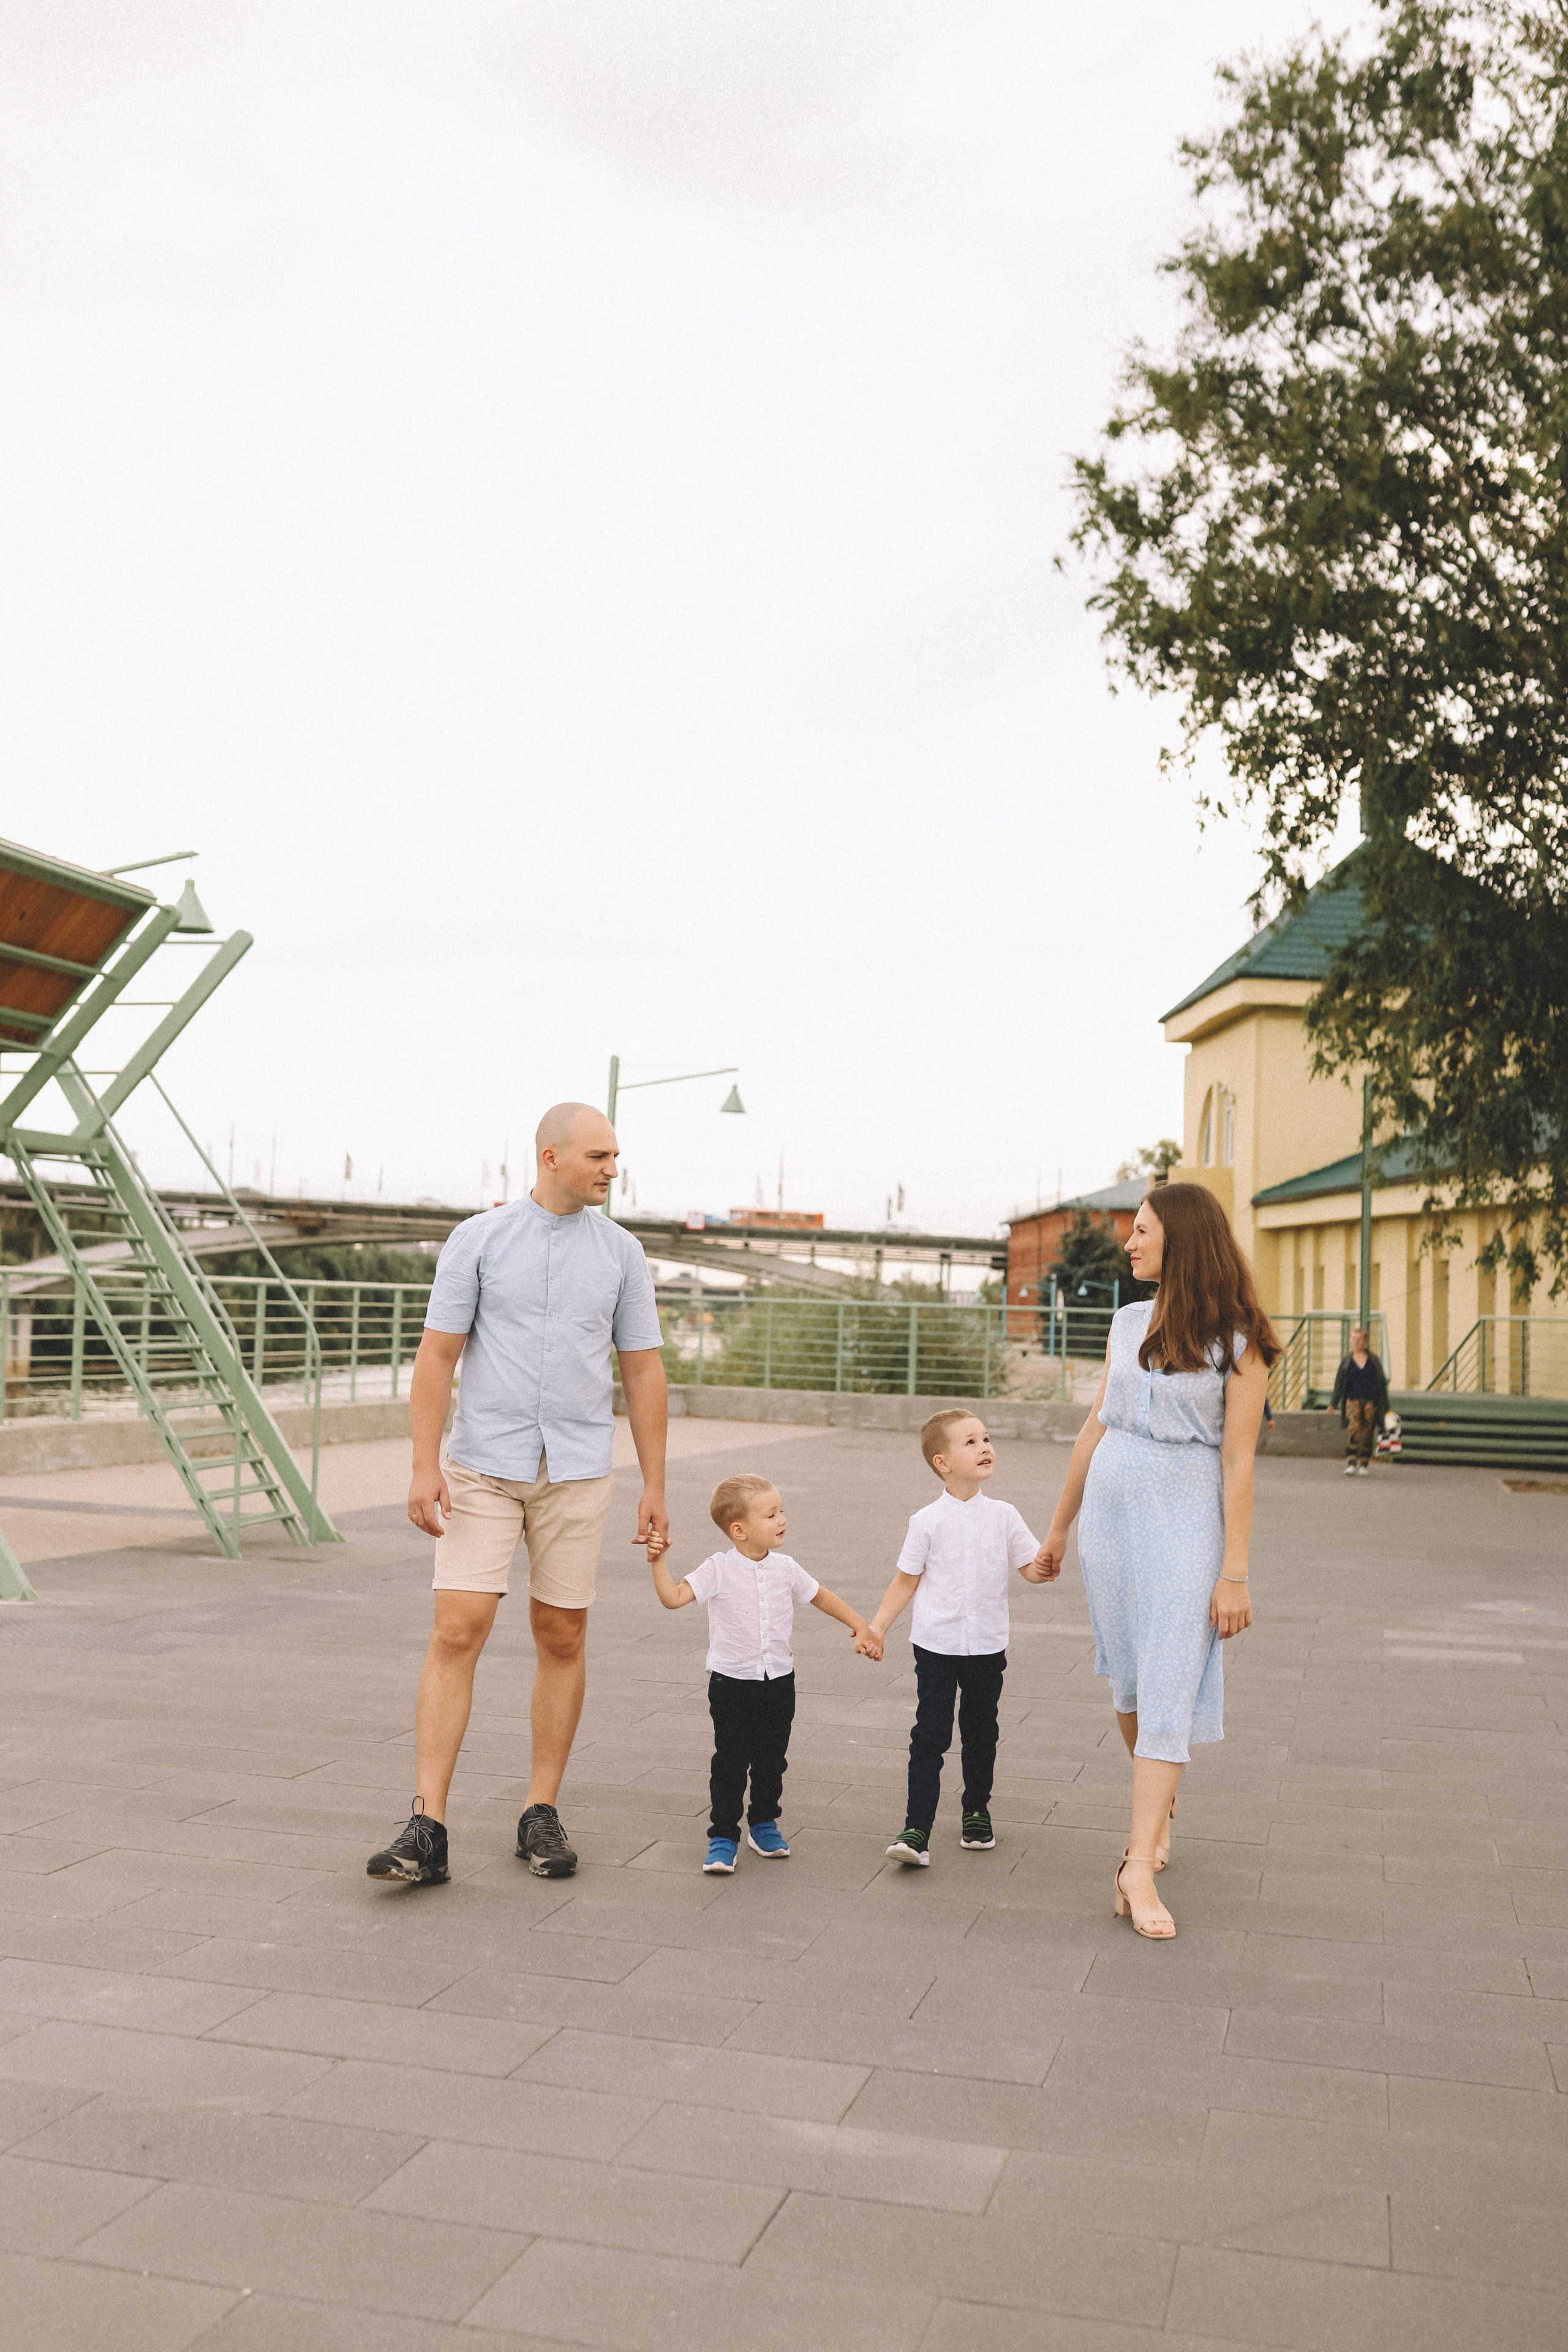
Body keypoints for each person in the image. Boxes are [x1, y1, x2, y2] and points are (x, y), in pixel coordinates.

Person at [368, 1102, 668, 1888]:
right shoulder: (478, 1239)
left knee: (561, 1634)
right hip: (480, 1465)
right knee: (458, 1627)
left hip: (576, 1468)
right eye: (599, 1155)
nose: (612, 1168)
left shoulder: (623, 1254)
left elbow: (642, 1370)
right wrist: (422, 1465)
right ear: (550, 1157)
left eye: (615, 1156)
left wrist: (656, 1485)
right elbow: (437, 1357)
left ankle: (540, 1812)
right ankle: (427, 1824)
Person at [1033, 1185, 1276, 1940]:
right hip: (1110, 1515)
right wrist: (1057, 1530)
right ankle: (1158, 1802)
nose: (1128, 1244)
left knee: (1171, 1673)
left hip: (1184, 1519)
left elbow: (1239, 1462)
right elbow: (1091, 1430)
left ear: (1181, 1239)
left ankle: (1135, 1864)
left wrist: (1233, 1571)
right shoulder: (1127, 1321)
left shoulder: (1241, 1342)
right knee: (1132, 1678)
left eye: (1140, 1232)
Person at [646, 1474, 875, 1872]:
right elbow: (673, 1598)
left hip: (779, 1681)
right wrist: (658, 1561)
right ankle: (723, 1835)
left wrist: (859, 1624)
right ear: (739, 1530)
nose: (782, 1519)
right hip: (731, 1682)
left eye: (781, 1510)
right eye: (771, 1515)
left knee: (772, 1757)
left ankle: (764, 1823)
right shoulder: (718, 1568)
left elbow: (820, 1595)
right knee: (731, 1761)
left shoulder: (786, 1568)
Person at [869, 1412, 1058, 1868]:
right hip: (935, 1645)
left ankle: (976, 1810)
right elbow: (905, 1581)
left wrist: (1046, 1565)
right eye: (970, 1442)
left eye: (987, 1438)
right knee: (930, 1734)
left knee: (980, 1731)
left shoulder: (1005, 1516)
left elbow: (1029, 1569)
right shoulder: (927, 1521)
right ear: (943, 1462)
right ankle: (917, 1828)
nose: (985, 1447)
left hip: (987, 1646)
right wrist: (877, 1628)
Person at [1331, 1326, 1389, 1477]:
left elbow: (1381, 1384)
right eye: (1354, 1339)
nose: (1357, 1342)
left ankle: (1364, 1463)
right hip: (1353, 1401)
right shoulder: (1347, 1361)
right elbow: (1339, 1383)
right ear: (1351, 1341)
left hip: (1370, 1402)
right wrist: (1333, 1403)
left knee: (1367, 1431)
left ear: (1365, 1341)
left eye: (1360, 1339)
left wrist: (1385, 1406)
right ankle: (1351, 1462)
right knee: (1353, 1430)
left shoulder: (1373, 1360)